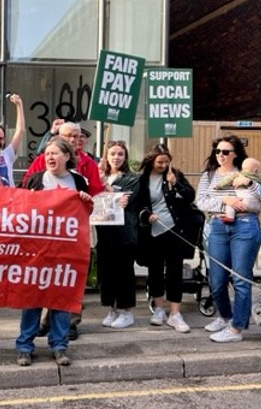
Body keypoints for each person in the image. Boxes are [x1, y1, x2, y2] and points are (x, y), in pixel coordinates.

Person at [16, 137, 93, 367]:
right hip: (37, 250)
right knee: (32, 298)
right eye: (47, 153)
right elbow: (20, 211)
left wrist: (87, 202)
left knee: (62, 298)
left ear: (67, 157)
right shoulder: (35, 180)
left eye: (55, 153)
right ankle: (24, 346)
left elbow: (87, 214)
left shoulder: (79, 181)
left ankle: (59, 346)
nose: (49, 157)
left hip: (67, 251)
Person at [25, 121, 104, 340]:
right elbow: (27, 187)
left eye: (76, 136)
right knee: (46, 276)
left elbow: (96, 194)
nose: (73, 140)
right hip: (46, 233)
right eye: (68, 136)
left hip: (75, 232)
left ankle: (70, 322)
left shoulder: (87, 164)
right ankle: (46, 319)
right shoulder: (44, 160)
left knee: (73, 277)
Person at [196, 135, 261, 342]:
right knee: (217, 280)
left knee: (240, 278)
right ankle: (225, 317)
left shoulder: (247, 172)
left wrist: (250, 183)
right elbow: (201, 201)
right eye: (218, 151)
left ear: (235, 154)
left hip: (245, 226)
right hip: (218, 226)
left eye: (225, 152)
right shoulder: (209, 175)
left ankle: (237, 328)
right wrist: (225, 200)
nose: (220, 155)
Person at [135, 144, 195, 333]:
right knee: (155, 270)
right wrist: (146, 215)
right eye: (160, 162)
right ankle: (159, 308)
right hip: (153, 230)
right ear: (152, 161)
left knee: (175, 270)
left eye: (166, 162)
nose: (163, 165)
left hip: (174, 229)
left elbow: (190, 196)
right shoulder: (142, 179)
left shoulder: (175, 175)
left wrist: (175, 183)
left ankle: (175, 313)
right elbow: (138, 204)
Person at [96, 140, 139, 329]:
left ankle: (126, 310)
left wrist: (104, 187)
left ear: (125, 157)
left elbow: (124, 200)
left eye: (120, 154)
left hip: (124, 232)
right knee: (106, 272)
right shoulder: (99, 176)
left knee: (123, 271)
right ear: (106, 156)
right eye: (112, 154)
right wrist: (99, 180)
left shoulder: (132, 178)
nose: (116, 157)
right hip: (104, 231)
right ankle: (111, 308)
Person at [215, 157, 261, 223]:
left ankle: (230, 217)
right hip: (254, 203)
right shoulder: (260, 179)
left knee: (230, 205)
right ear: (255, 171)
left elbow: (225, 182)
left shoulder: (237, 175)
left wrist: (218, 186)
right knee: (254, 212)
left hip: (242, 201)